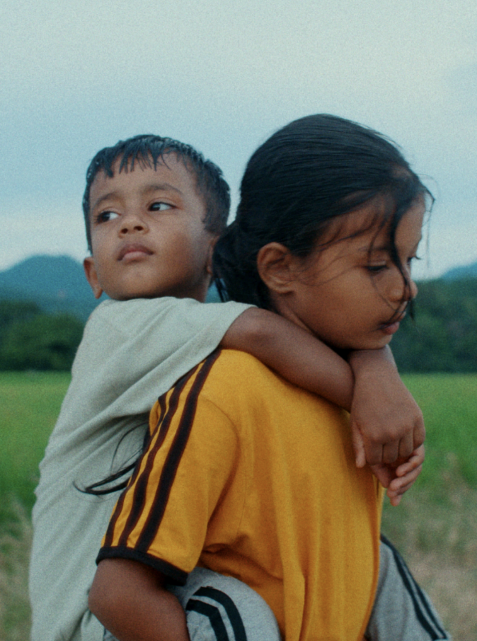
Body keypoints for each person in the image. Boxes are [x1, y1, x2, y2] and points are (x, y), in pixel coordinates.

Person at [29, 134, 427, 641]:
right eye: (106, 216)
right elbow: (265, 331)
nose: (129, 223)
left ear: (214, 250)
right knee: (228, 605)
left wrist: (376, 362)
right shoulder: (119, 327)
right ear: (93, 276)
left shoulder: (203, 341)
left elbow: (306, 333)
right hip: (95, 621)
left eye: (158, 205)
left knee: (374, 560)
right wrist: (373, 392)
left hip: (151, 589)